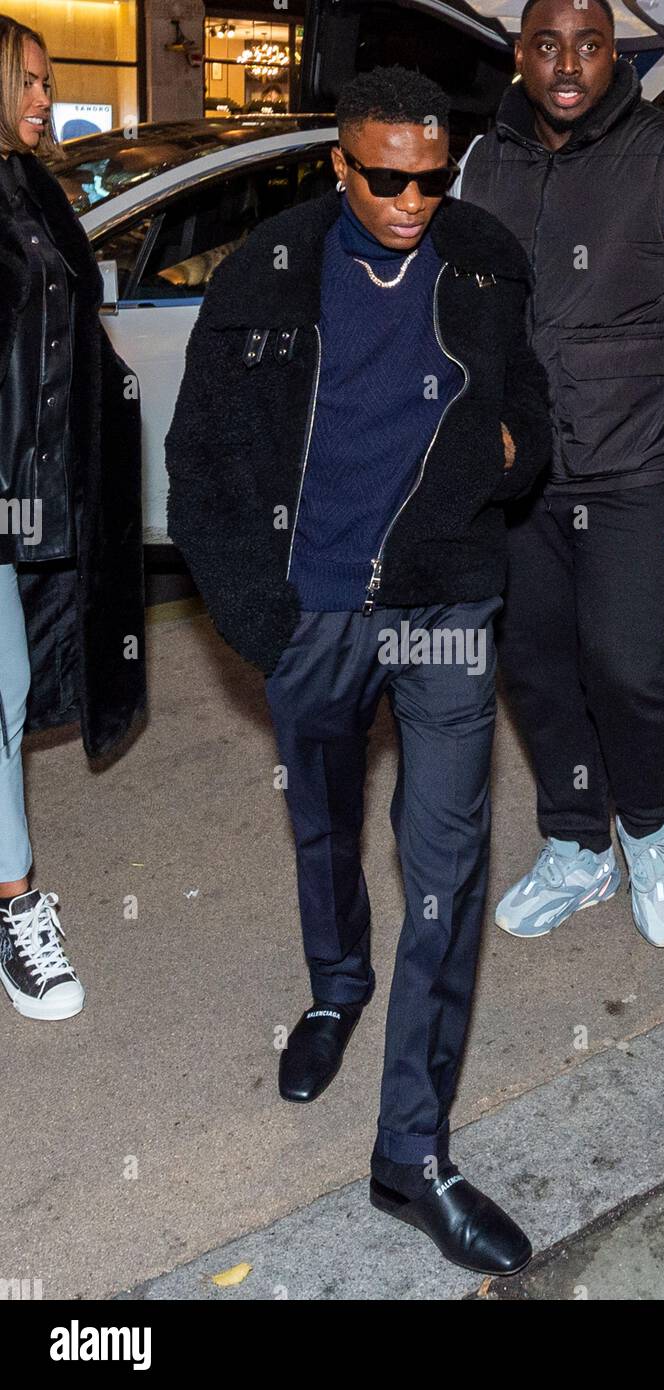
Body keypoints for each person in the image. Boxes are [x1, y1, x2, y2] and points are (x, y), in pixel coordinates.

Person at [165, 66, 551, 1275]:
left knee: (448, 858)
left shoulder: (483, 254)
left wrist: (511, 452)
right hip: (315, 608)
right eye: (384, 177)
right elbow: (201, 458)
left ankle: (412, 1154)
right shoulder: (266, 273)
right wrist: (259, 621)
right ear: (340, 166)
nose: (409, 200)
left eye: (430, 179)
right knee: (325, 827)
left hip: (444, 602)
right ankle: (336, 986)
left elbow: (528, 403)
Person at [457, 0, 664, 946]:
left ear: (614, 54)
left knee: (626, 665)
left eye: (589, 45)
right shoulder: (483, 160)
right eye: (547, 44)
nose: (567, 64)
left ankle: (648, 830)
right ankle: (578, 848)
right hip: (525, 473)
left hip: (643, 467)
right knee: (536, 668)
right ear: (519, 54)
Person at [0, 15, 146, 1020]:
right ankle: (17, 904)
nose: (47, 100)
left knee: (7, 695)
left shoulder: (28, 186)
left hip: (20, 499)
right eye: (33, 82)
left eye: (48, 83)